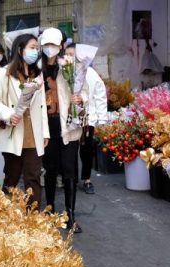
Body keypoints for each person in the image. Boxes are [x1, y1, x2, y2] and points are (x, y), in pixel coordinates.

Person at [0, 34, 49, 208]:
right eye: (32, 47)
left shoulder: (37, 75)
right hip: (13, 132)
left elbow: (42, 106)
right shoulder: (3, 73)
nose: (35, 51)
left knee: (34, 177)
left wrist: (44, 133)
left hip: (33, 134)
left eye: (37, 48)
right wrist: (8, 114)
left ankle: (33, 217)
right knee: (12, 177)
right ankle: (6, 215)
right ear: (20, 50)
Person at [40, 28, 88, 233]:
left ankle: (70, 215)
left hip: (68, 126)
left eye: (54, 45)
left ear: (60, 46)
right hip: (46, 126)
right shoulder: (35, 69)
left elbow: (84, 91)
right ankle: (49, 211)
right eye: (46, 45)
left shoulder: (70, 66)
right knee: (50, 170)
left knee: (69, 171)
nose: (50, 49)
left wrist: (80, 98)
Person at [65, 43, 108, 194]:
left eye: (73, 55)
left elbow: (100, 97)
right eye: (67, 55)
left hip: (87, 120)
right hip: (69, 119)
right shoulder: (64, 73)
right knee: (70, 150)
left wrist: (102, 120)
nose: (70, 58)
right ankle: (72, 178)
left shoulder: (90, 73)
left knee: (86, 150)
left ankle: (87, 178)